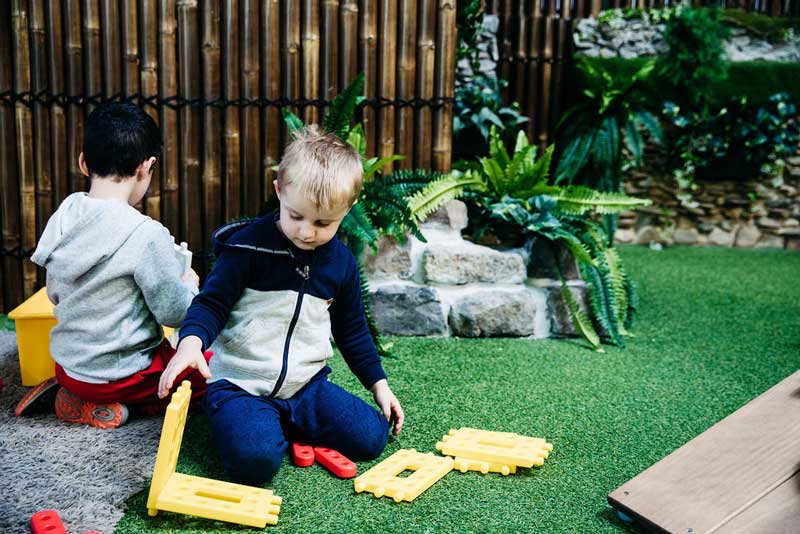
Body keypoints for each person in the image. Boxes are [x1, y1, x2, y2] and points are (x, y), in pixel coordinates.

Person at [158, 125, 404, 485]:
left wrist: (379, 385)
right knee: (254, 463)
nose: (307, 232)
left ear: (348, 209)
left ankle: (282, 422)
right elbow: (211, 305)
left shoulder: (341, 265)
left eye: (323, 223)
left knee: (372, 438)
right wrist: (191, 344)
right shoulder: (246, 249)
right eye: (296, 216)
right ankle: (247, 422)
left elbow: (352, 330)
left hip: (306, 387)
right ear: (279, 191)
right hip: (241, 386)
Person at [19, 102, 206, 429]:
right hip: (121, 375)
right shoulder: (145, 234)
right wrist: (189, 284)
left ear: (83, 162)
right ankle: (118, 407)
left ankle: (75, 393)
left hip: (66, 364)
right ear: (146, 168)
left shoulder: (65, 214)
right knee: (207, 374)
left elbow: (54, 293)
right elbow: (174, 314)